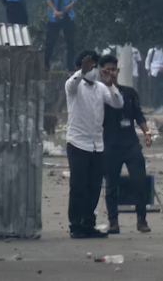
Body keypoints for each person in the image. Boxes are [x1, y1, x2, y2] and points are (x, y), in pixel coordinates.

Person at [65, 50, 124, 239]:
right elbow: (72, 84)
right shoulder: (74, 85)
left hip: (97, 145)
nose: (92, 70)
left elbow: (117, 103)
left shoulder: (101, 88)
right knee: (78, 186)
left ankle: (89, 224)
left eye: (94, 66)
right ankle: (75, 225)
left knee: (94, 187)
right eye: (89, 66)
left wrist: (112, 84)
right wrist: (81, 72)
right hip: (78, 143)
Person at [100, 54, 152, 234]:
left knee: (139, 181)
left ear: (118, 71)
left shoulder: (129, 92)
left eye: (113, 70)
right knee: (111, 185)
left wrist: (146, 133)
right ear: (101, 72)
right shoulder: (99, 94)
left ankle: (142, 220)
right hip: (110, 145)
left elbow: (138, 115)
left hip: (130, 144)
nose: (111, 74)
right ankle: (113, 221)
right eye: (107, 70)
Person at [43, 0, 78, 71]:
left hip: (67, 14)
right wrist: (54, 10)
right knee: (50, 41)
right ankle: (46, 65)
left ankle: (70, 66)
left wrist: (70, 5)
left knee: (71, 42)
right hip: (54, 16)